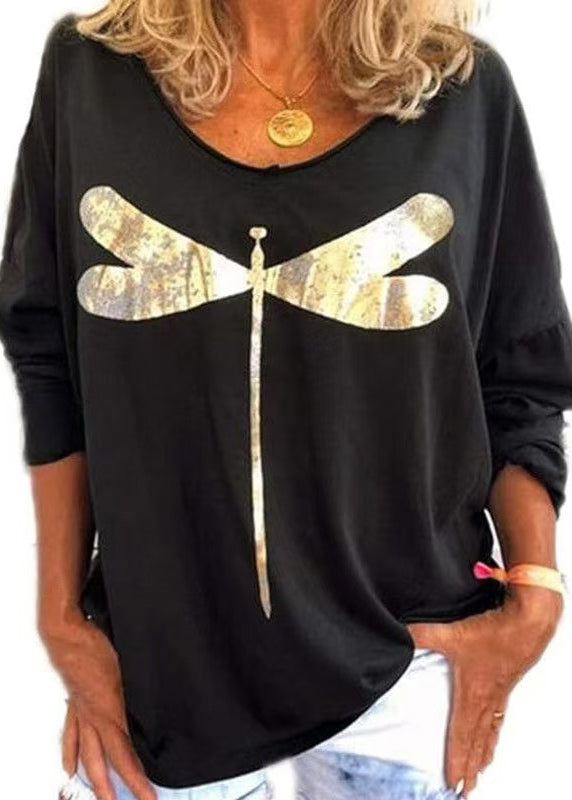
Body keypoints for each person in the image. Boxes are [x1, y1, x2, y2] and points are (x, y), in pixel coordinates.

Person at [0, 2, 570, 799]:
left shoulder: (464, 89)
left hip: (402, 664)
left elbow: (519, 372)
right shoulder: (88, 73)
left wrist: (537, 591)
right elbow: (49, 356)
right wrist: (62, 621)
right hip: (160, 676)